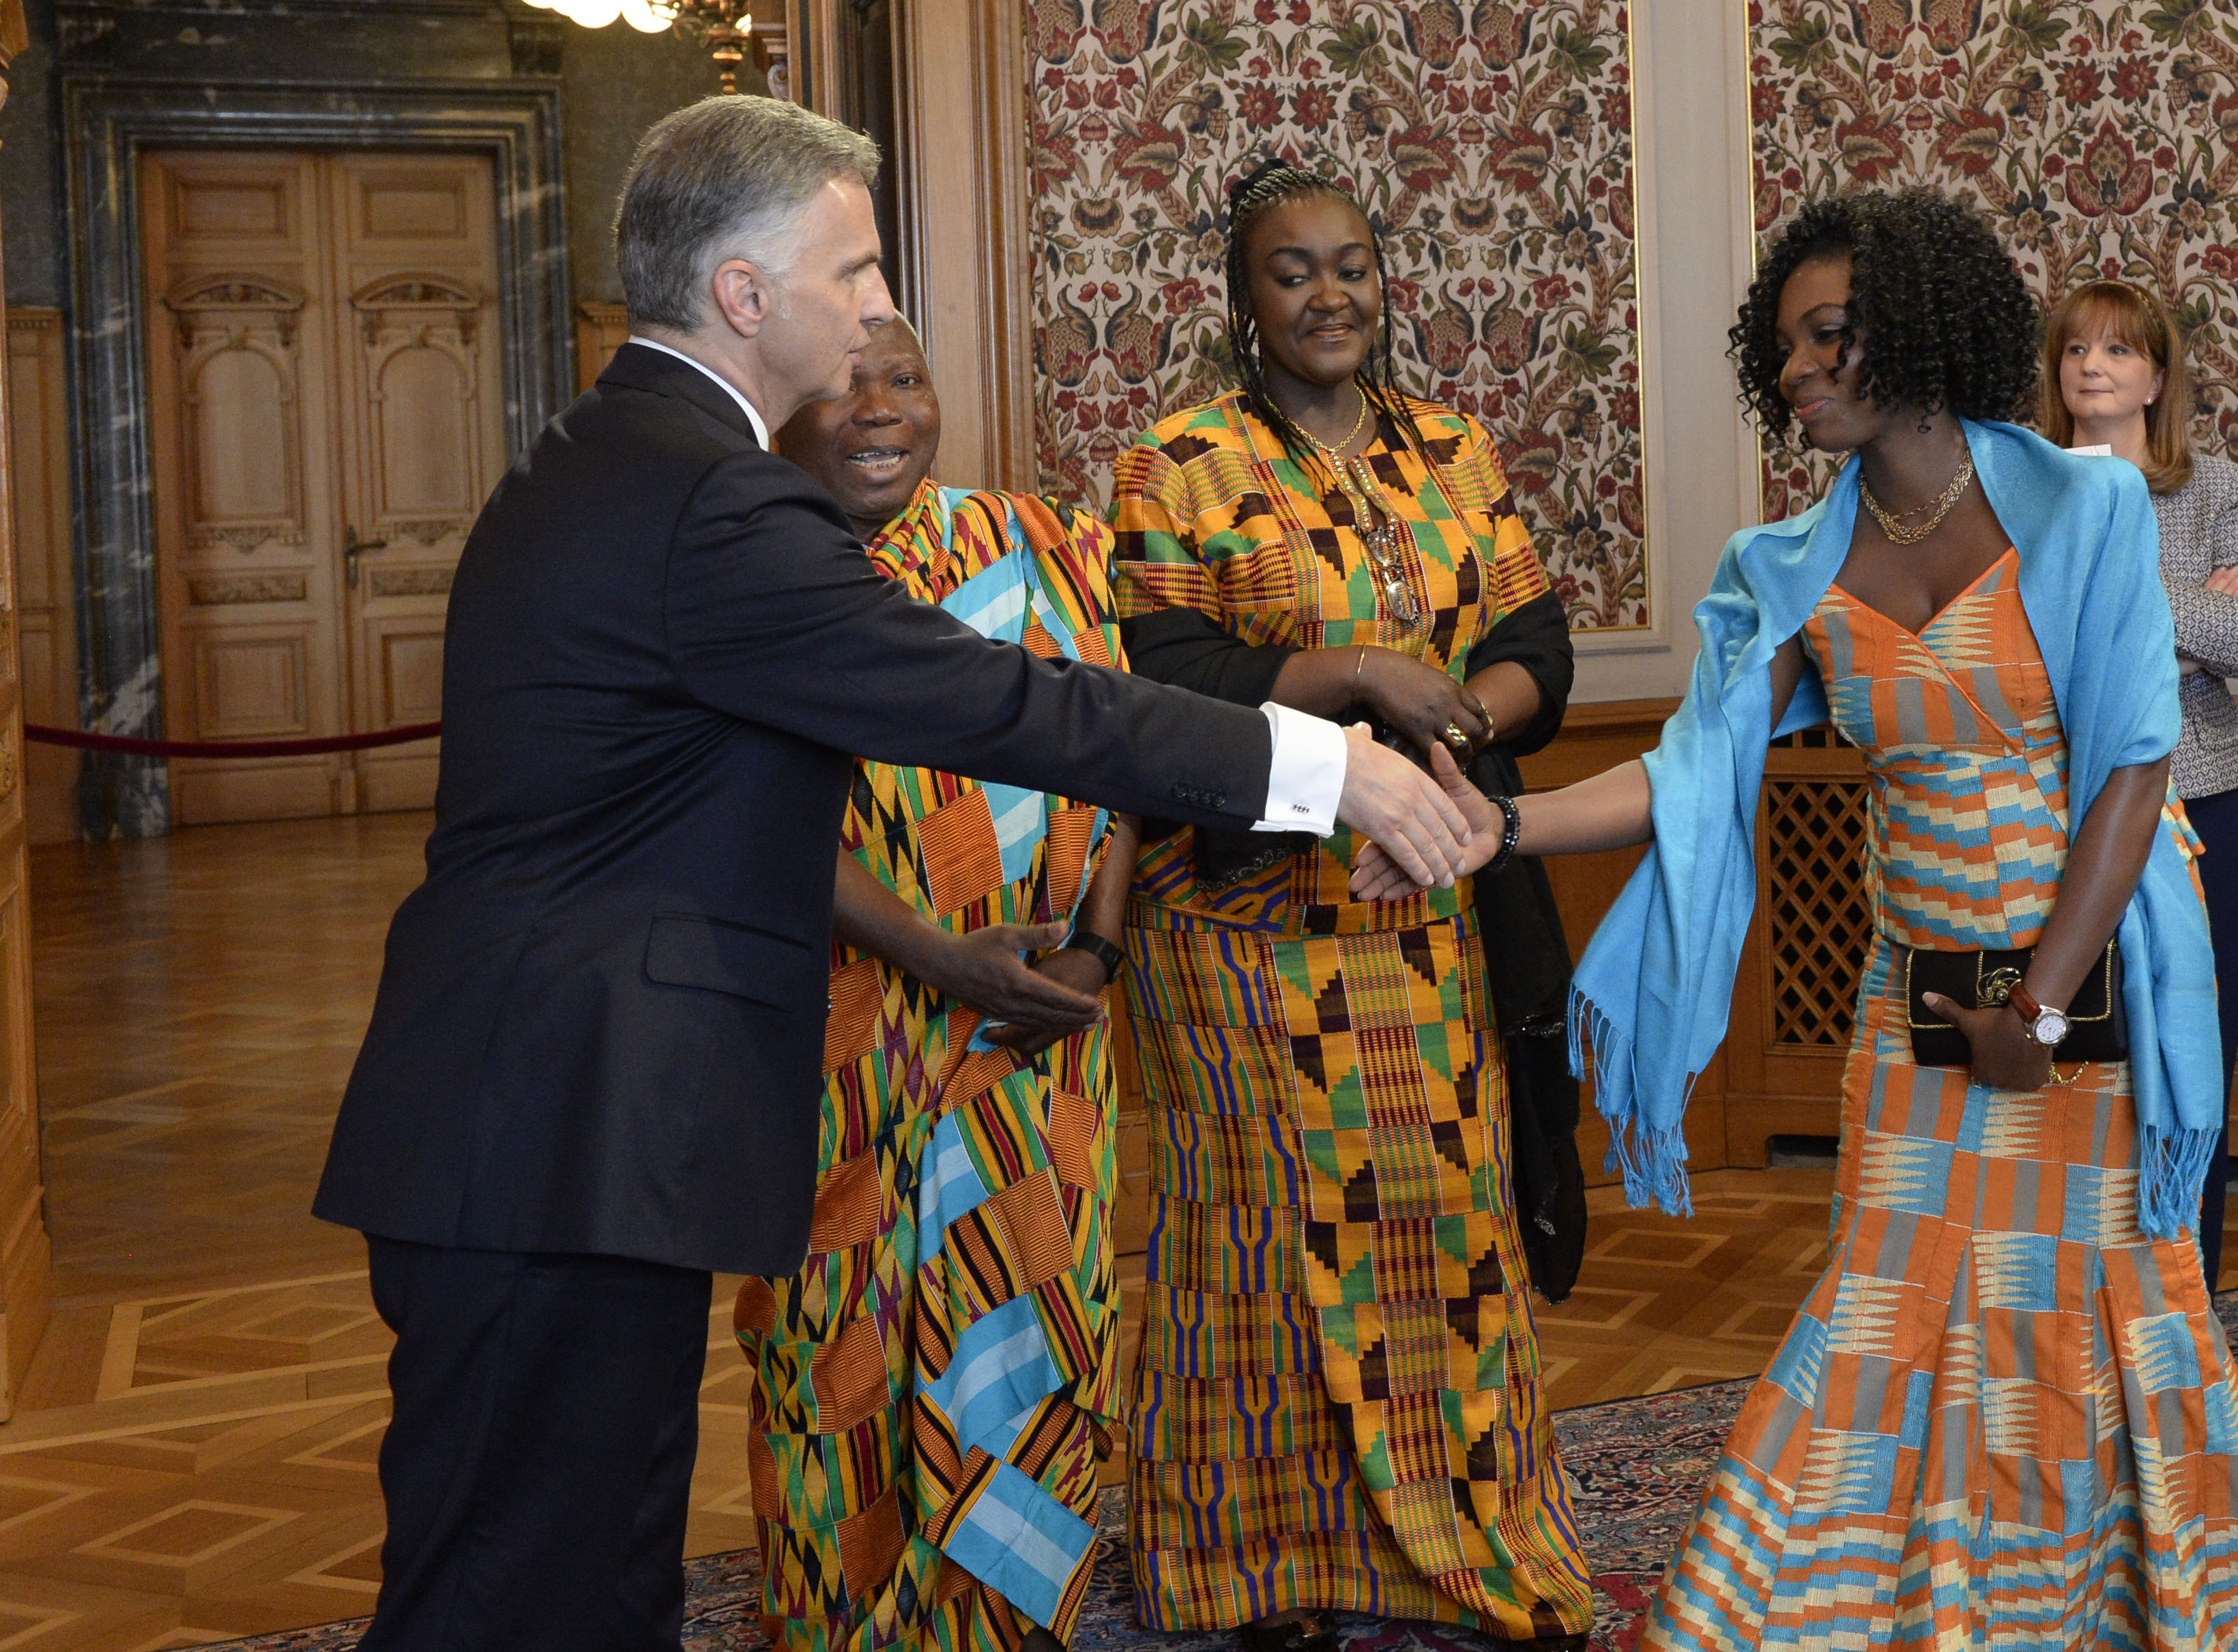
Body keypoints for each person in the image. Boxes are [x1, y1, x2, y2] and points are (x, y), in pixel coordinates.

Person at [310, 96, 1473, 1652]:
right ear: (744, 293)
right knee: (519, 1591)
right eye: (852, 270)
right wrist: (1336, 765)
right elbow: (997, 695)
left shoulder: (621, 455)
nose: (875, 305)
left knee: (577, 1578)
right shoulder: (711, 497)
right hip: (557, 1129)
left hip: (552, 1121)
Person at [1359, 191, 2238, 1652]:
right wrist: (1503, 822)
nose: (1800, 372)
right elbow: (1689, 771)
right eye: (1785, 347)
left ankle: (2084, 1608)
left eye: (1828, 338)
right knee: (1887, 1306)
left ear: (1919, 332)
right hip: (1917, 1003)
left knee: (2093, 1304)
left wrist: (2044, 1010)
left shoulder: (2085, 505)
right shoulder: (1787, 566)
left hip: (2078, 996)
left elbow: (2136, 767)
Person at [1108, 160, 1593, 1652]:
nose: (1330, 294)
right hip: (1240, 934)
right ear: (1241, 298)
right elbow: (1159, 682)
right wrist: (1357, 675)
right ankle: (1250, 1561)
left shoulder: (1452, 448)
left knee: (1437, 1230)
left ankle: (1454, 1532)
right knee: (1259, 1239)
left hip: (1420, 909)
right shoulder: (1172, 462)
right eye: (1291, 269)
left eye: (1353, 264)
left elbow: (1533, 650)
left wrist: (1446, 747)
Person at [736, 313, 1136, 1652]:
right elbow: (749, 820)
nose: (878, 407)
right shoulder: (750, 577)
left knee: (1034, 1328)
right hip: (847, 1052)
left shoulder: (1036, 546)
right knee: (836, 1344)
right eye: (840, 385)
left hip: (1043, 1041)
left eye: (901, 375)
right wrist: (935, 957)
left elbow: (1117, 749)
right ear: (778, 410)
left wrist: (1094, 951)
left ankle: (1008, 1624)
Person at [2041, 279, 2238, 1288]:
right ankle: (2078, 1301)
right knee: (2073, 1059)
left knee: (2190, 1061)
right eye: (2073, 351)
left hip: (2206, 815)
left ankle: (2186, 1298)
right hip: (2070, 814)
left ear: (2154, 377)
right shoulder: (2027, 492)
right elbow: (2039, 659)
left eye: (2115, 351)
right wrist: (2190, 616)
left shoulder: (2213, 489)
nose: (2091, 367)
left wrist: (2134, 592)